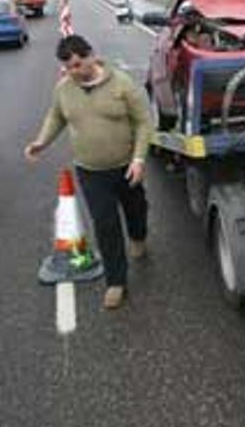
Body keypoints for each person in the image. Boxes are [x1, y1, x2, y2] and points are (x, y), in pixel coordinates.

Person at [25, 35, 153, 310]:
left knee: (136, 210)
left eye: (78, 64)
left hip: (126, 166)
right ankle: (116, 282)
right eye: (69, 67)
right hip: (91, 171)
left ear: (92, 56)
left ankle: (138, 236)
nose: (75, 71)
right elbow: (56, 116)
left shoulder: (121, 84)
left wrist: (139, 159)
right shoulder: (64, 89)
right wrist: (41, 141)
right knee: (105, 225)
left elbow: (143, 122)